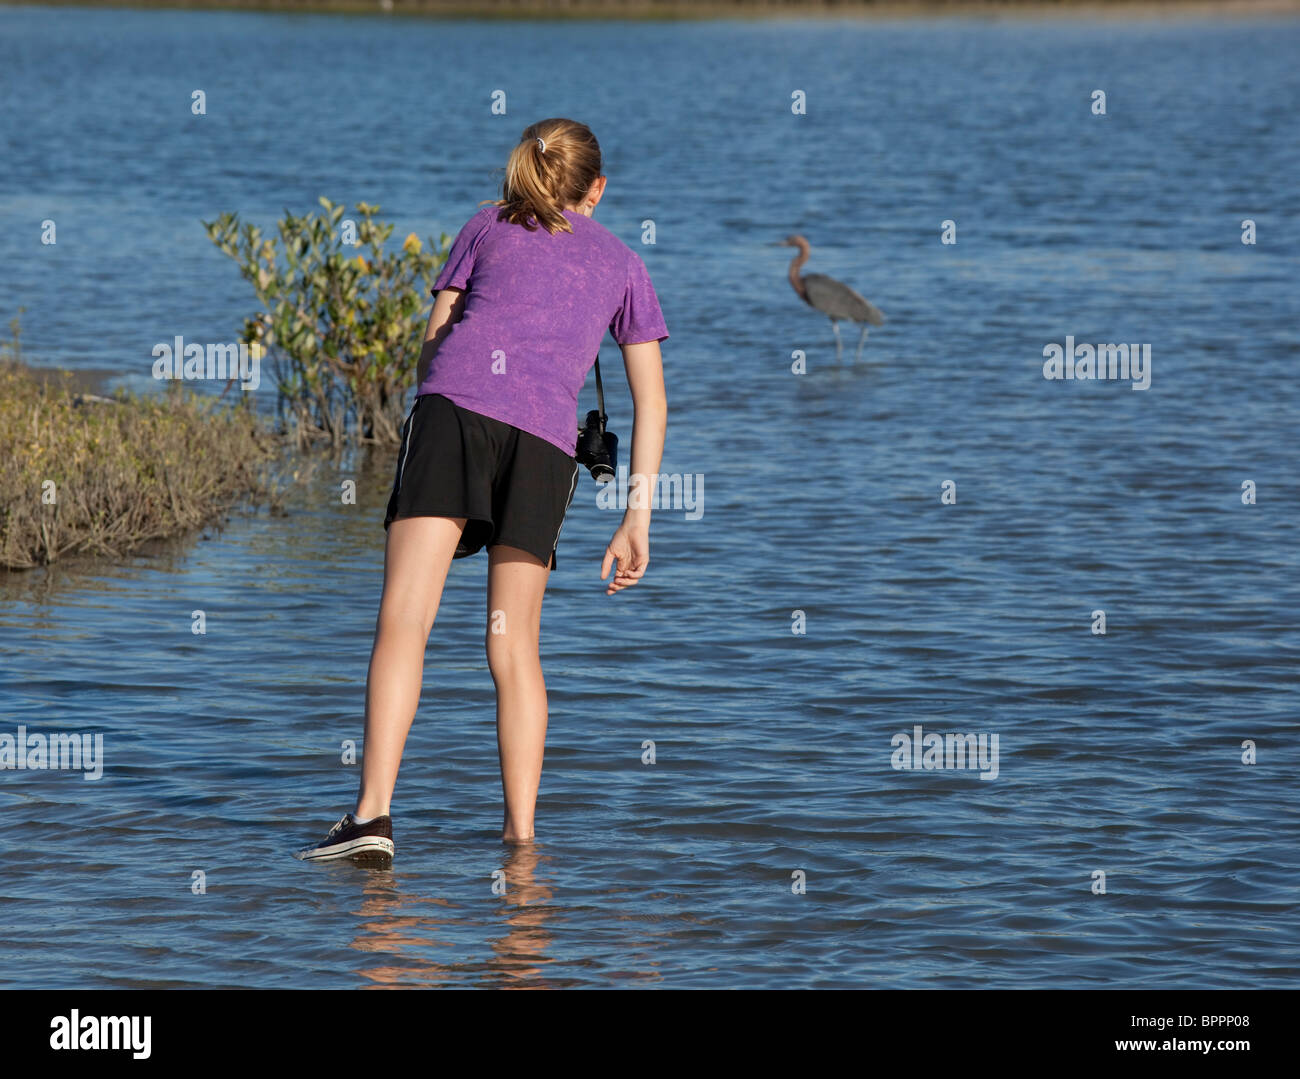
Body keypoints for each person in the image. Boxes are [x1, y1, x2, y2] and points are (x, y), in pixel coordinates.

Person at [295, 118, 669, 863]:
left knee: (406, 616)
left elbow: (435, 342)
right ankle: (521, 840)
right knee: (514, 646)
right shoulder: (625, 262)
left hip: (457, 411)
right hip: (543, 443)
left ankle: (372, 819)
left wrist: (434, 429)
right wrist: (636, 517)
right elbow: (651, 402)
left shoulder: (483, 225)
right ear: (598, 189)